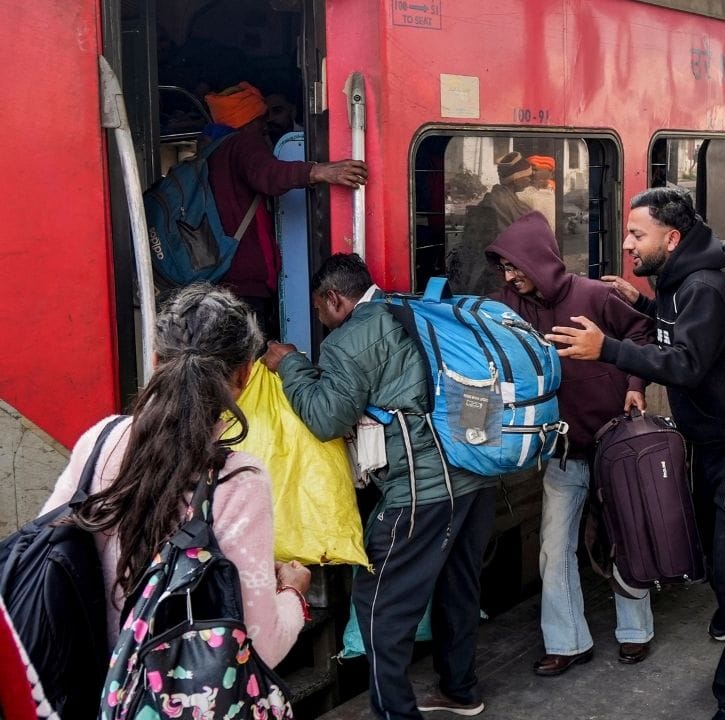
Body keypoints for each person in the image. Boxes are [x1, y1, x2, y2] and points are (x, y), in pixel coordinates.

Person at [549, 187, 725, 720]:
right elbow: (679, 329)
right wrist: (641, 305)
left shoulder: (702, 287)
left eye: (638, 234)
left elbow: (686, 363)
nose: (627, 245)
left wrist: (608, 349)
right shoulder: (679, 285)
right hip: (714, 445)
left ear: (672, 238)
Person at [262, 254, 496, 719]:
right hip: (475, 473)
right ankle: (460, 690)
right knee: (458, 584)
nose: (320, 320)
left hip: (423, 490)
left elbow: (326, 419)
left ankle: (395, 713)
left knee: (378, 603)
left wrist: (290, 364)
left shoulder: (351, 338)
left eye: (319, 309)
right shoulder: (408, 308)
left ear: (334, 298)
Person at [44, 285, 308, 669]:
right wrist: (293, 595)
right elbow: (259, 645)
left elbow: (47, 549)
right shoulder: (239, 480)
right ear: (244, 375)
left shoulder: (99, 441)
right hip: (161, 693)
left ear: (155, 360)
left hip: (77, 681)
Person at [483, 211, 657, 675]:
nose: (509, 277)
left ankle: (635, 631)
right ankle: (567, 641)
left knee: (624, 536)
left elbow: (641, 332)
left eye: (515, 267)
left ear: (538, 260)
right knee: (553, 546)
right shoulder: (507, 305)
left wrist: (635, 384)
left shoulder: (594, 295)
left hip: (614, 443)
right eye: (504, 269)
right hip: (561, 451)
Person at [204, 82, 368, 334]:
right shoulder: (243, 144)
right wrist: (320, 171)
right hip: (244, 279)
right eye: (261, 120)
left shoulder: (213, 152)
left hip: (220, 275)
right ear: (249, 122)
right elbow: (269, 174)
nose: (265, 127)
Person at [451, 152, 536, 295]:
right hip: (498, 272)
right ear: (516, 179)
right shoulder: (501, 202)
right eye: (527, 175)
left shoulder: (504, 200)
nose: (529, 179)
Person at [519, 155, 558, 229]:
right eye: (533, 170)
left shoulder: (553, 190)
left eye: (536, 170)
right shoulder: (524, 193)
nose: (534, 173)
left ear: (551, 175)